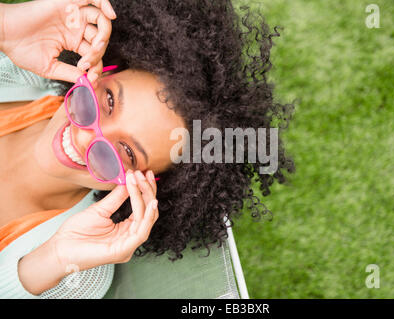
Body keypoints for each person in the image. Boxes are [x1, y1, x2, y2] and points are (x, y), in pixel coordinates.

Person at [0, 0, 295, 298]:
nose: (84, 138)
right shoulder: (20, 67)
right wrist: (6, 26)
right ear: (106, 71)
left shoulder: (76, 266)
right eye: (110, 101)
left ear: (146, 184)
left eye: (126, 153)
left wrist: (51, 261)